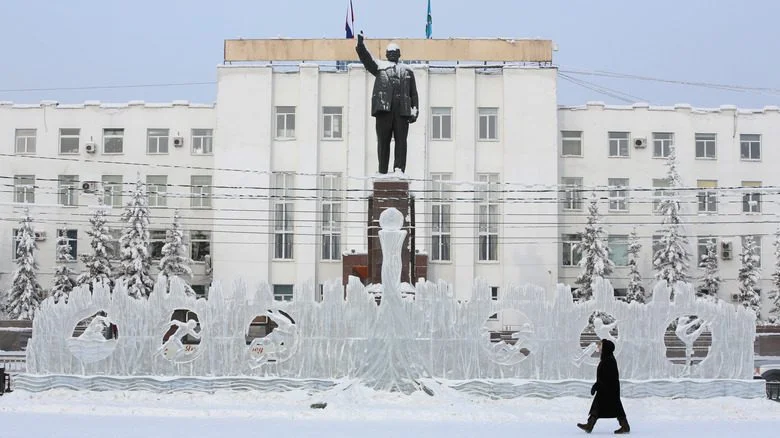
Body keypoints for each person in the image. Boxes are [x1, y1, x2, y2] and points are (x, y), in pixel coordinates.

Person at [355, 32, 419, 174]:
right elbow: (367, 59)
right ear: (386, 54)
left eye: (394, 52)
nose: (392, 54)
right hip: (384, 111)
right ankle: (382, 171)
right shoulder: (379, 67)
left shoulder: (408, 71)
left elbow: (413, 93)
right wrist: (360, 46)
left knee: (401, 142)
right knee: (383, 142)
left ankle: (399, 170)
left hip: (402, 112)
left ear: (399, 54)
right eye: (389, 52)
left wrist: (415, 110)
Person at [577, 339, 630, 434]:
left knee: (612, 407)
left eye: (600, 345)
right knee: (601, 406)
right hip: (606, 388)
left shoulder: (609, 360)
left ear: (605, 348)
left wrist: (597, 385)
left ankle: (624, 426)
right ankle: (590, 425)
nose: (598, 347)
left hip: (609, 389)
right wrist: (597, 385)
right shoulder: (607, 358)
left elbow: (608, 377)